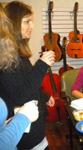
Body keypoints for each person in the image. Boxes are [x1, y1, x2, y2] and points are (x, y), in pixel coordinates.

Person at [0, 1, 56, 149]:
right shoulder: (6, 59)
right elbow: (19, 95)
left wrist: (44, 96)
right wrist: (42, 65)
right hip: (25, 134)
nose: (32, 26)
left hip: (35, 128)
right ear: (12, 23)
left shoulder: (17, 53)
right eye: (27, 21)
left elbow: (24, 83)